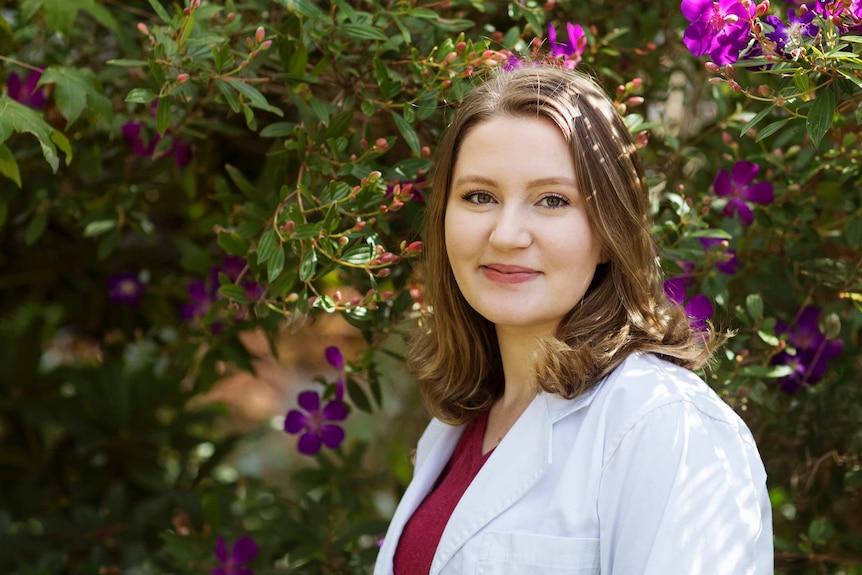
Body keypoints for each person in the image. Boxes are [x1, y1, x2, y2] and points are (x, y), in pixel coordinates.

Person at [373, 65, 773, 575]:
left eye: (552, 200)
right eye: (479, 196)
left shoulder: (668, 425)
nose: (507, 234)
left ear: (608, 234)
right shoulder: (453, 430)